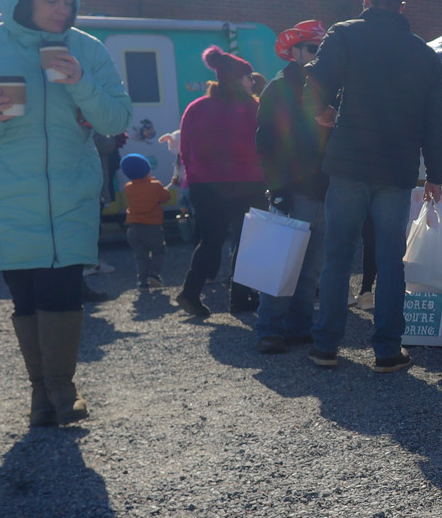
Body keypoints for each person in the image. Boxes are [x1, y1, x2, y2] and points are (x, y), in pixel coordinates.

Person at [0, 0, 130, 424]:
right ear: (22, 1)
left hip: (69, 191)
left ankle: (63, 388)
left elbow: (116, 120)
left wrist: (81, 83)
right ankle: (40, 394)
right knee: (23, 295)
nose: (63, 10)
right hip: (4, 194)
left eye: (68, 1)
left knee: (62, 288)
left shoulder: (87, 49)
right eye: (51, 0)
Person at [307, 0, 442, 372]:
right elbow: (433, 120)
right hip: (396, 167)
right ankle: (387, 349)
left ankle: (325, 346)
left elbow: (315, 78)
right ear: (402, 6)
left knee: (337, 257)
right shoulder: (423, 54)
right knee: (390, 261)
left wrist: (320, 111)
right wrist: (435, 174)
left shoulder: (345, 33)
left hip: (349, 163)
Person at [254, 21, 331, 353]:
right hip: (293, 188)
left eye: (321, 49)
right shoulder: (278, 89)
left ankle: (299, 327)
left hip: (325, 189)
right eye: (313, 49)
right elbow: (266, 143)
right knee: (280, 264)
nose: (317, 55)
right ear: (295, 52)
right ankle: (269, 328)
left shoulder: (329, 86)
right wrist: (277, 187)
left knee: (312, 267)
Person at [175, 46, 267, 319]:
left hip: (206, 186)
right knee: (247, 242)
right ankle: (240, 298)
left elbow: (185, 149)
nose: (252, 82)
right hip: (248, 184)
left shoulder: (196, 107)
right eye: (248, 77)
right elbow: (268, 145)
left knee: (210, 241)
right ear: (238, 79)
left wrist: (195, 177)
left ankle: (191, 293)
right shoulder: (254, 108)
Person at [120, 153, 175, 288]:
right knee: (158, 251)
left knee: (141, 255)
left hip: (133, 229)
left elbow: (144, 191)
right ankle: (154, 274)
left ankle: (142, 281)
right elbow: (165, 197)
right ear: (147, 171)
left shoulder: (128, 188)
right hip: (152, 227)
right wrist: (159, 185)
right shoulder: (155, 186)